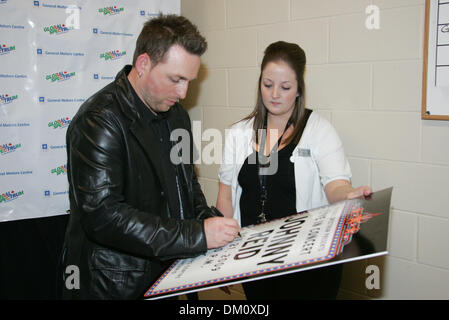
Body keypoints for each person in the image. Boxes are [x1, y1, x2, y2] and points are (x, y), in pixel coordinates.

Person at [61, 14, 240, 300]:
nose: (183, 92)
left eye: (189, 81)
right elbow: (104, 217)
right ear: (143, 64)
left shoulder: (177, 115)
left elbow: (187, 188)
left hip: (168, 276)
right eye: (176, 79)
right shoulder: (100, 121)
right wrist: (198, 236)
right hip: (114, 284)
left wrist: (215, 238)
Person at [216, 41, 371, 300]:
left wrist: (349, 195)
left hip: (308, 266)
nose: (274, 94)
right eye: (267, 85)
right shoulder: (238, 134)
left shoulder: (319, 131)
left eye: (285, 87)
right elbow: (225, 196)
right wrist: (221, 258)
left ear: (299, 89)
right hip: (256, 262)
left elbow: (335, 184)